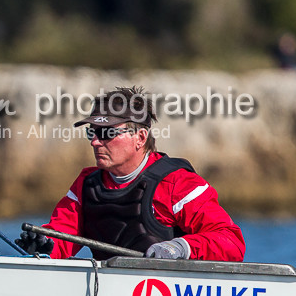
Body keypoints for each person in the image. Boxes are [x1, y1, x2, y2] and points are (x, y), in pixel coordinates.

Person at [17, 85, 244, 262]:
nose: (95, 142)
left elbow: (231, 241)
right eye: (91, 133)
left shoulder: (178, 184)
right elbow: (63, 236)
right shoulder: (87, 184)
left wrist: (180, 247)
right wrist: (45, 244)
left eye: (107, 133)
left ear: (140, 138)